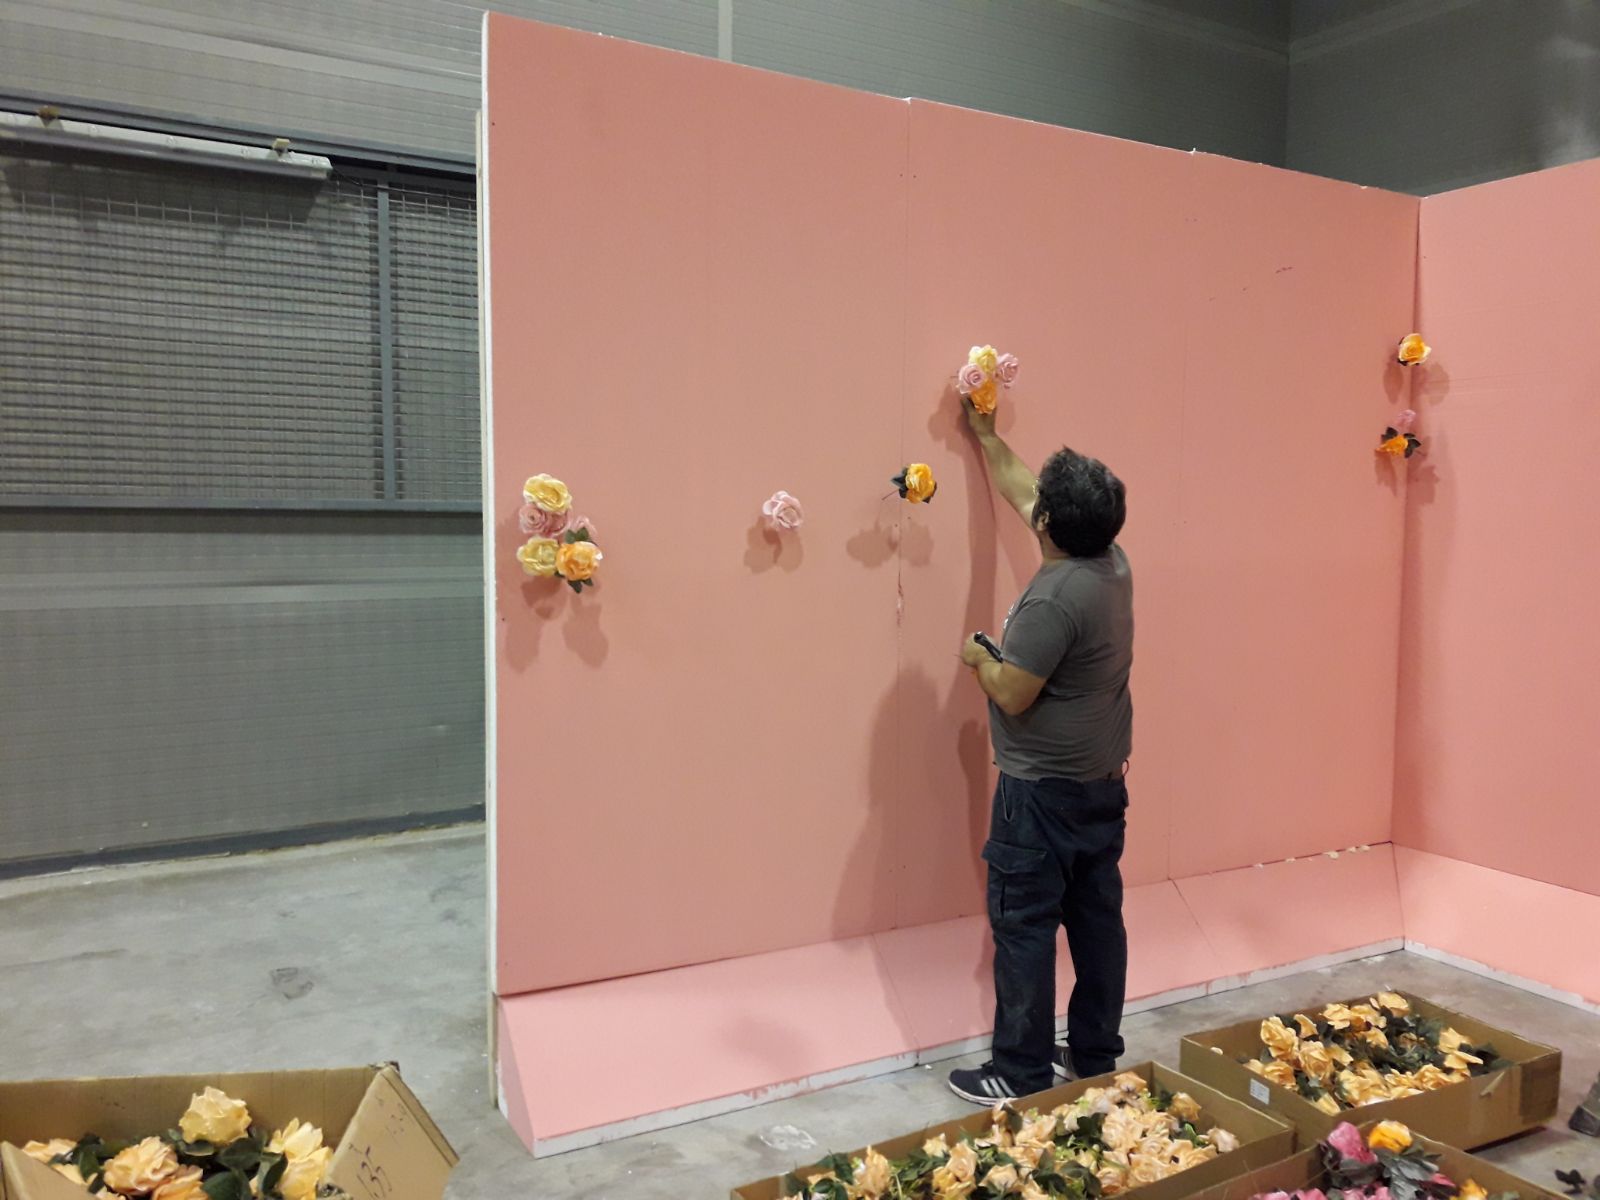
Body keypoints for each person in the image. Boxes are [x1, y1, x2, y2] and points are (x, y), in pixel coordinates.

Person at [947, 397, 1134, 1105]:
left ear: (1052, 529)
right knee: (1095, 921)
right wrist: (987, 435)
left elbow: (1014, 692)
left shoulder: (1055, 600)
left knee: (1024, 926)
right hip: (1097, 785)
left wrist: (977, 659)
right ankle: (1091, 1055)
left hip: (1041, 797)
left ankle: (1018, 1072)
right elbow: (1025, 488)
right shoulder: (1109, 561)